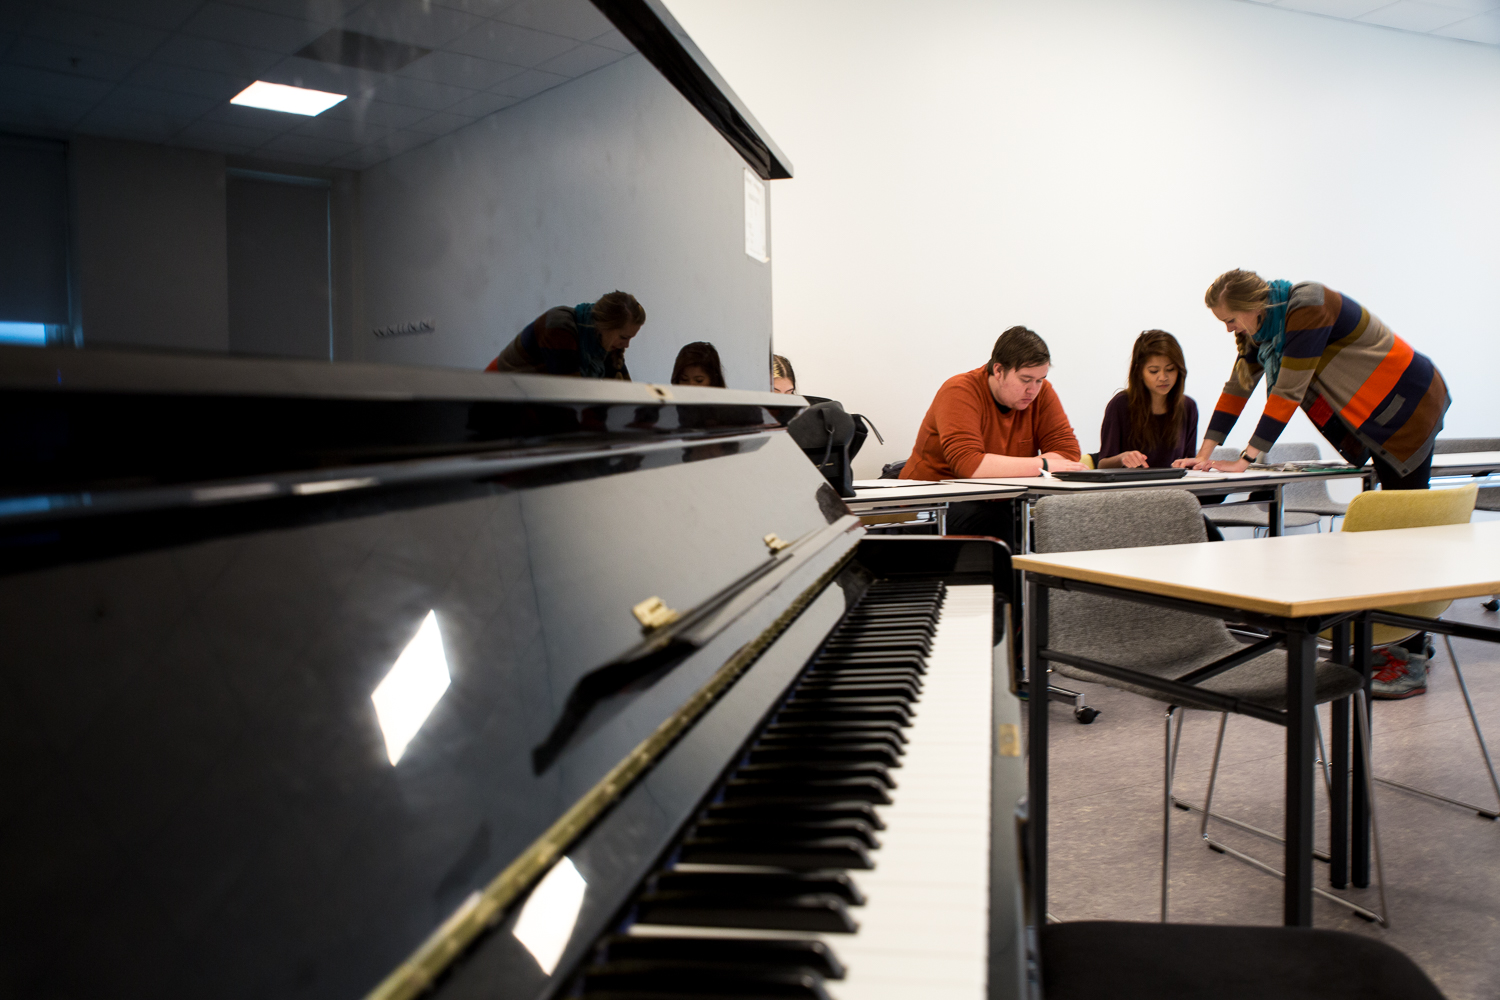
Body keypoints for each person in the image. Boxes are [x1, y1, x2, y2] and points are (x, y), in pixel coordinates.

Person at [1189, 269, 1452, 698]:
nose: (1229, 329)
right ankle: (1402, 640)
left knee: (1405, 535)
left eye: (1231, 319)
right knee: (1397, 534)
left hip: (1408, 405)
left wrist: (1245, 459)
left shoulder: (1308, 305)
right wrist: (1205, 454)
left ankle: (1412, 656)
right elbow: (1239, 386)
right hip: (1376, 412)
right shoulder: (1264, 330)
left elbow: (1288, 390)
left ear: (1253, 307)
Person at [902, 326, 1085, 543]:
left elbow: (1068, 453)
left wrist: (1036, 465)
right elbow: (969, 466)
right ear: (998, 371)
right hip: (931, 502)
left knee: (1063, 519)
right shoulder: (959, 390)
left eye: (1040, 380)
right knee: (998, 523)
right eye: (1025, 380)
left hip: (1000, 500)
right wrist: (1044, 465)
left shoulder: (1042, 392)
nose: (1033, 390)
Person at [485, 291, 644, 379]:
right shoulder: (559, 327)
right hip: (496, 394)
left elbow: (625, 395)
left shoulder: (607, 344)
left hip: (530, 401)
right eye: (624, 337)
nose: (626, 345)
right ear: (606, 326)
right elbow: (571, 398)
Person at [1098, 330, 1199, 469]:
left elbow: (1189, 464)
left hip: (1173, 483)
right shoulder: (1120, 405)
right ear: (1139, 371)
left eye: (1170, 369)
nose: (1163, 377)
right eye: (1153, 371)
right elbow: (1102, 465)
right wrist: (1122, 458)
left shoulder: (1188, 407)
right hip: (1132, 483)